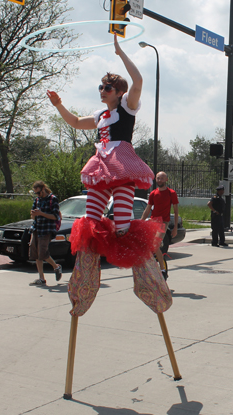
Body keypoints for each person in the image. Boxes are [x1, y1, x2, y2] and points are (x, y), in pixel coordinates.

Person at [47, 36, 168, 319]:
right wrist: (58, 105)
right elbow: (76, 123)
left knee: (124, 226)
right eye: (101, 86)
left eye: (107, 87)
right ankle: (84, 283)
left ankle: (148, 283)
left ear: (118, 91)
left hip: (122, 168)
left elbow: (138, 81)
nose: (102, 90)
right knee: (90, 223)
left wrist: (120, 52)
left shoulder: (127, 106)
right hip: (100, 168)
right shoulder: (100, 115)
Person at [141, 171, 179, 279]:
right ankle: (149, 266)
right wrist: (141, 221)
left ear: (166, 179)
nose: (159, 180)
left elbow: (176, 211)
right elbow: (148, 209)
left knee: (155, 245)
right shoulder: (153, 193)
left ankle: (162, 269)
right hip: (153, 221)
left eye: (162, 178)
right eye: (158, 178)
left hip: (163, 222)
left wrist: (175, 227)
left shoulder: (171, 193)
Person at [28, 181, 62, 286]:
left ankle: (56, 267)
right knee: (36, 254)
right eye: (35, 193)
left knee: (43, 253)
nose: (37, 195)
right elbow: (33, 215)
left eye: (38, 192)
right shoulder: (37, 200)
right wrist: (33, 215)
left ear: (43, 189)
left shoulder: (53, 199)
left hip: (47, 229)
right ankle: (41, 278)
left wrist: (41, 213)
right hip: (37, 228)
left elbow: (55, 216)